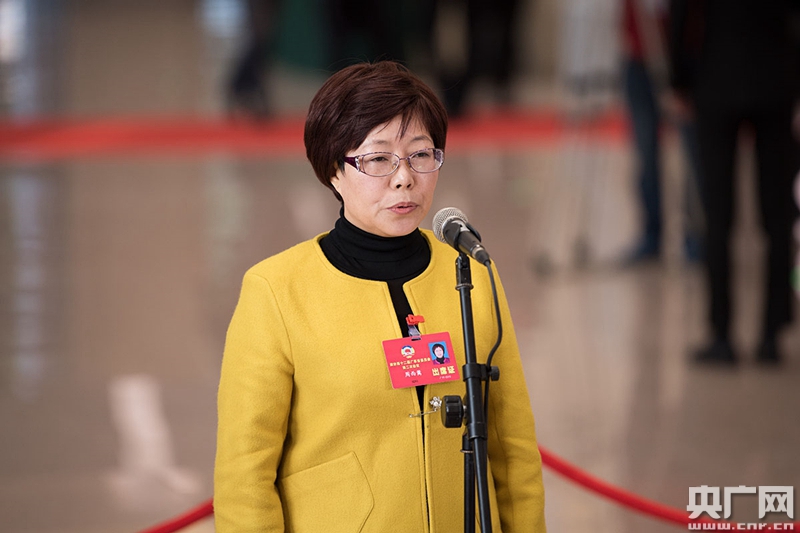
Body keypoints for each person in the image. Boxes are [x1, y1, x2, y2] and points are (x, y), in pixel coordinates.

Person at [214, 61, 546, 532]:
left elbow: (513, 449)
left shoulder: (470, 273)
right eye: (378, 159)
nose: (404, 178)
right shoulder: (276, 290)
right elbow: (244, 477)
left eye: (420, 154)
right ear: (334, 169)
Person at [668, 0, 799, 364]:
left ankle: (721, 334)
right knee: (777, 217)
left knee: (718, 215)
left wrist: (680, 78)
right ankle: (772, 334)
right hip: (775, 77)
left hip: (718, 76)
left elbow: (682, 13)